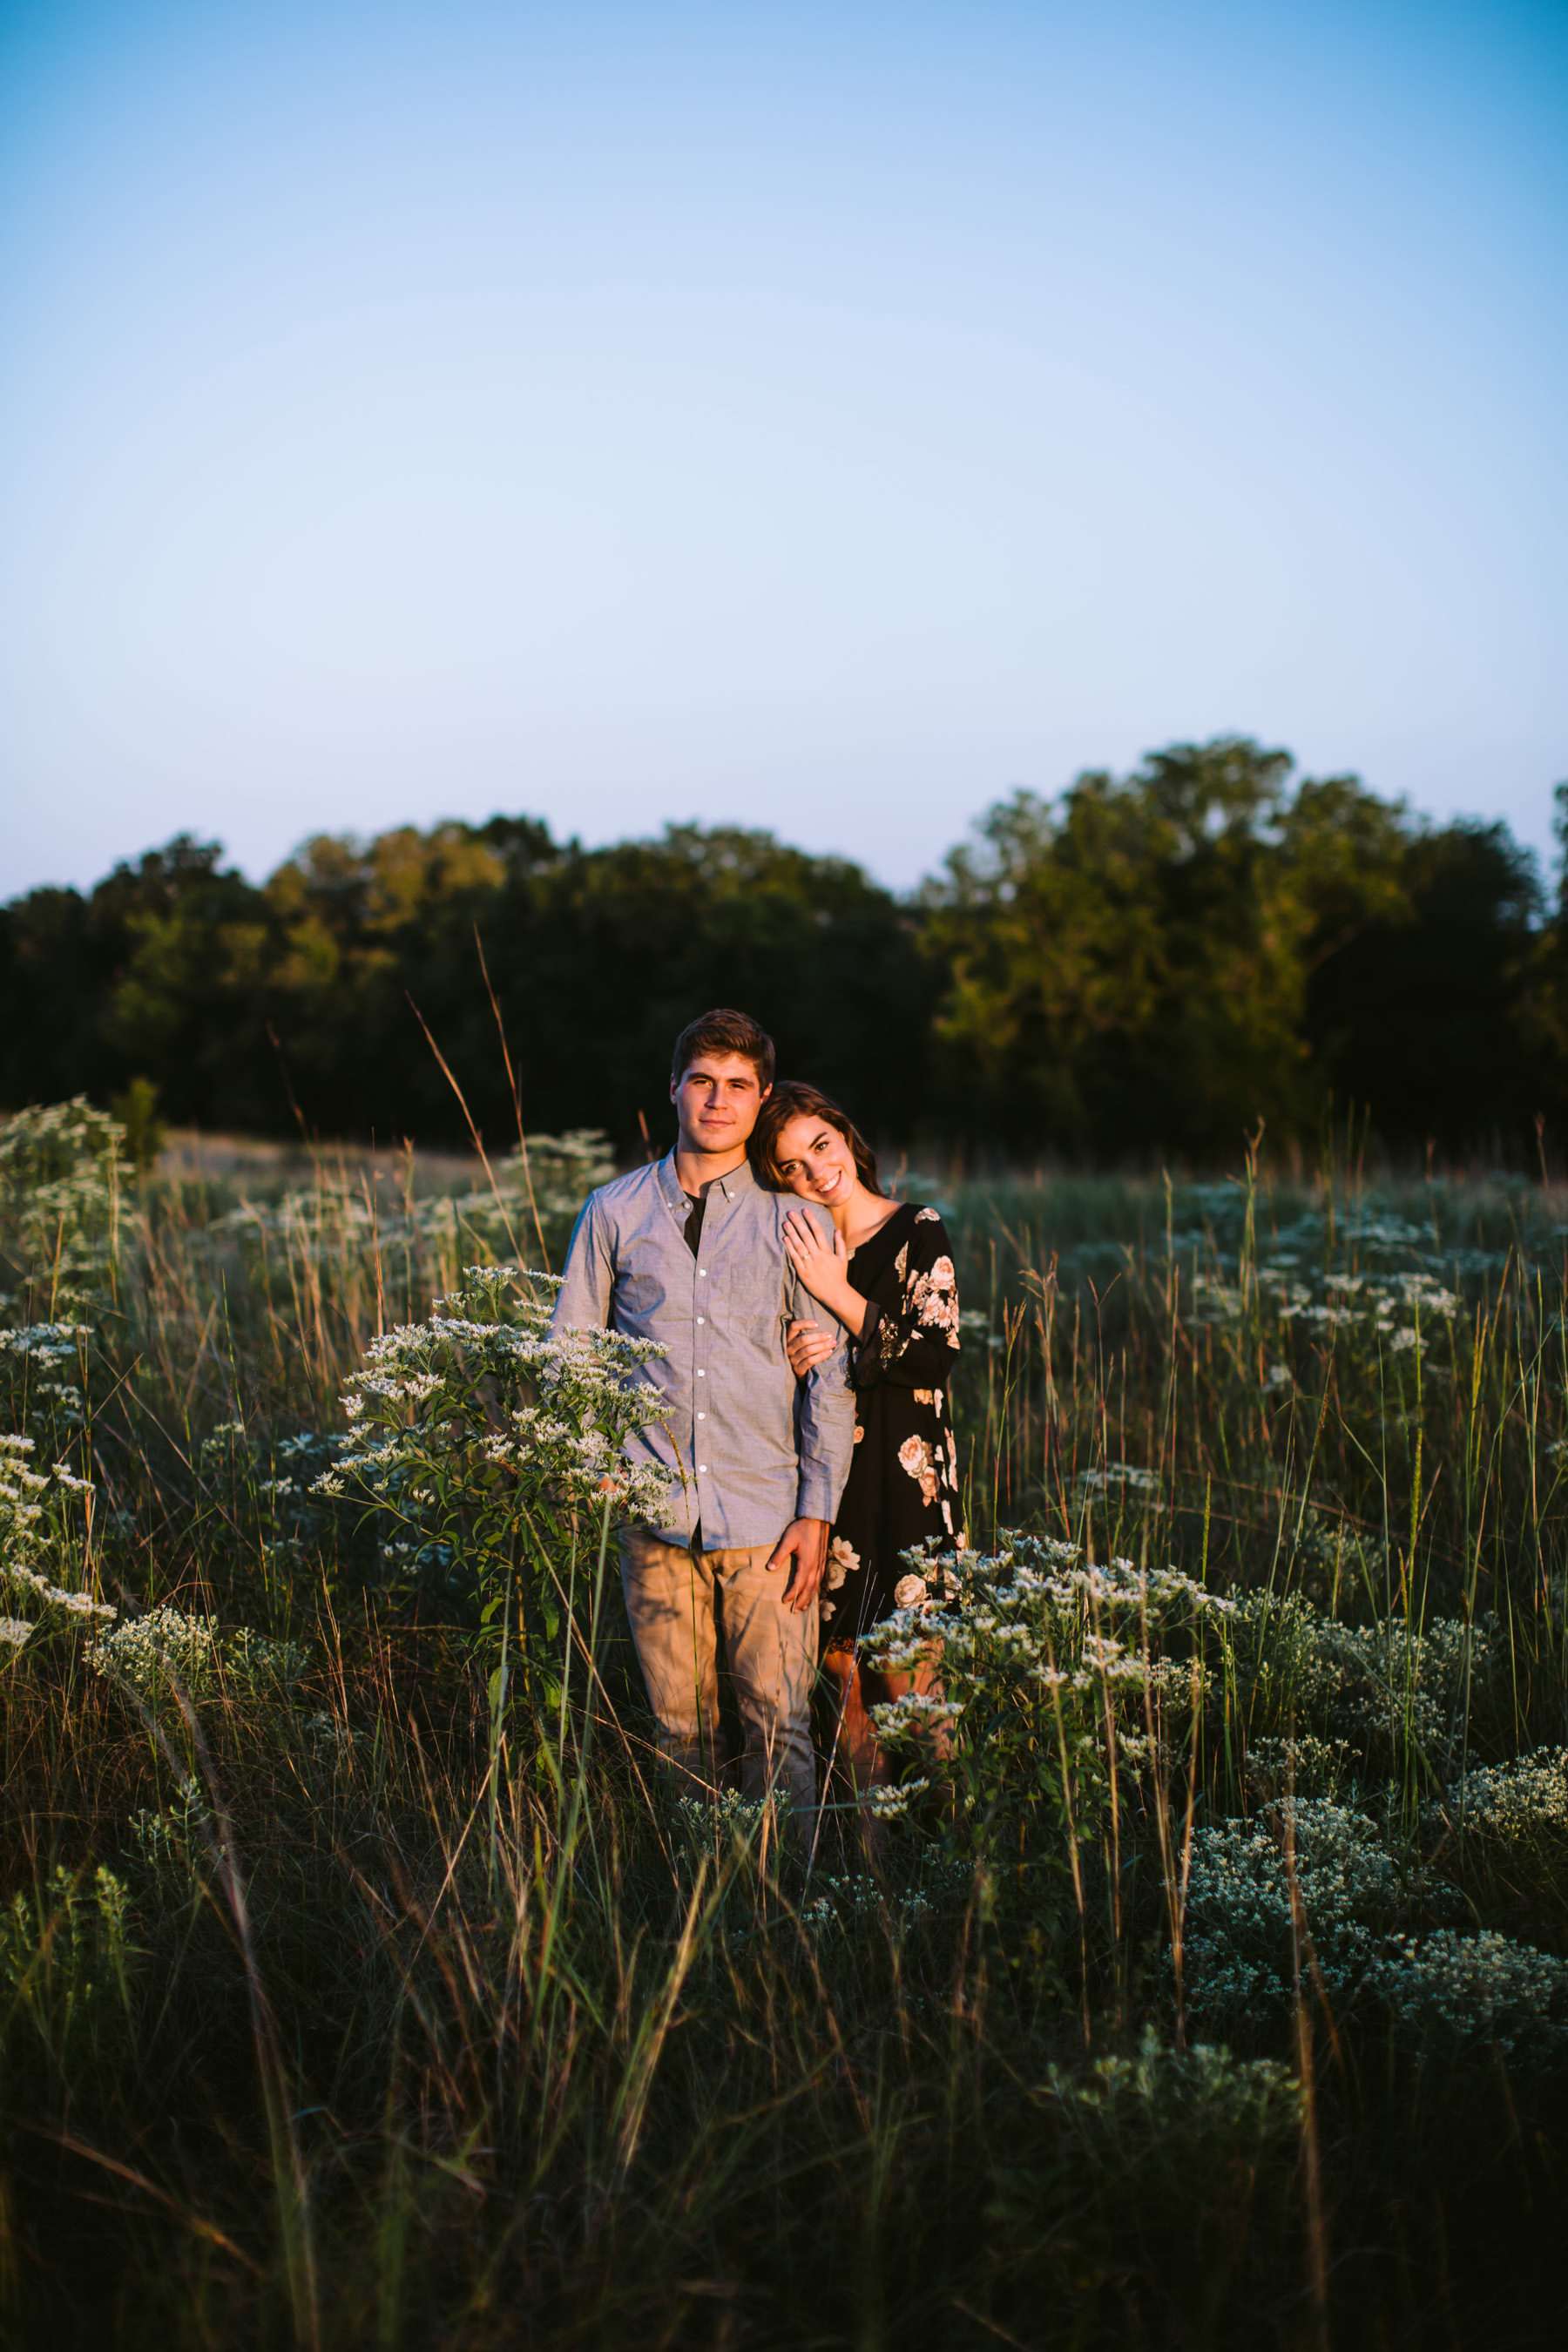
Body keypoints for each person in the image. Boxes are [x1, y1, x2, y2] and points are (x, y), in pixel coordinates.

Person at [551, 1010, 856, 1822]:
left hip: (768, 1519)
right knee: (681, 1729)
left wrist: (816, 1514)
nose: (719, 1101)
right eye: (703, 1082)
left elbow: (829, 1382)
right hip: (652, 1515)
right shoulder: (613, 1211)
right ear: (675, 1089)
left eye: (739, 1087)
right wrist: (596, 1465)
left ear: (760, 1102)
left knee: (779, 1727)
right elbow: (572, 1352)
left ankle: (780, 1916)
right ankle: (697, 1901)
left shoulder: (795, 1220)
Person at [749, 1081, 963, 1833]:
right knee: (842, 1683)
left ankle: (958, 1863)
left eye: (819, 1146)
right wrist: (790, 1350)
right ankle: (872, 1879)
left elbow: (935, 1356)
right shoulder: (788, 1242)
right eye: (788, 1168)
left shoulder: (916, 1227)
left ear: (844, 1134)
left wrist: (836, 1296)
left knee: (911, 1681)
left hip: (906, 1483)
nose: (812, 1172)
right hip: (829, 1484)